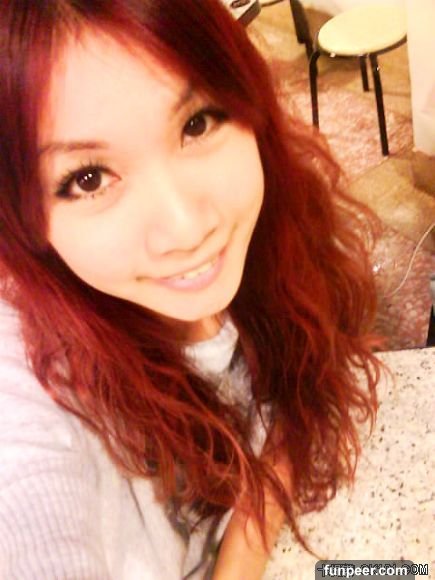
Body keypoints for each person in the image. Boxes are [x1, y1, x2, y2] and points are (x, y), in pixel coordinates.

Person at [0, 0, 382, 578]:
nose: (186, 229)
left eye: (197, 123)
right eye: (88, 178)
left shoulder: (278, 227)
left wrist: (237, 559)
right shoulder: (33, 386)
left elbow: (286, 402)